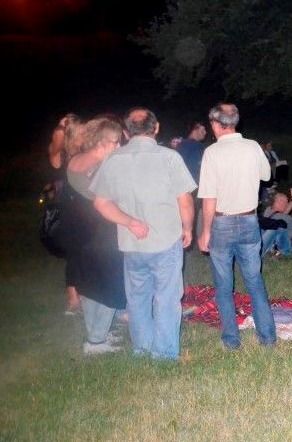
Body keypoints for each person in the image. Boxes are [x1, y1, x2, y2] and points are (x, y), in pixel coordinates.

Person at [91, 108, 196, 361]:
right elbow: (185, 200)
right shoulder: (169, 157)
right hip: (165, 242)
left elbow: (101, 203)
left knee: (137, 299)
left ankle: (142, 348)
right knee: (166, 299)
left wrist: (129, 222)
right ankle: (164, 353)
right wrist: (188, 228)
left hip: (132, 244)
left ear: (126, 133)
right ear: (156, 127)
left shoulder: (112, 160)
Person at [197, 103, 277, 351]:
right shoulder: (252, 146)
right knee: (254, 281)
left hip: (222, 223)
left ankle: (231, 340)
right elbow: (267, 176)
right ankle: (267, 338)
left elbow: (209, 198)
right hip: (249, 221)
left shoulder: (212, 152)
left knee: (224, 286)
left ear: (216, 124)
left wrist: (206, 230)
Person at [63, 117, 127, 354]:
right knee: (110, 284)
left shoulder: (75, 160)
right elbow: (110, 200)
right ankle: (97, 341)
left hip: (82, 232)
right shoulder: (104, 167)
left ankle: (97, 335)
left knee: (90, 286)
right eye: (115, 142)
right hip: (103, 233)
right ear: (100, 143)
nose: (118, 146)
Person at [48, 113, 84, 315]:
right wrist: (61, 127)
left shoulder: (85, 154)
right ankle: (72, 298)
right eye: (81, 132)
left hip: (86, 209)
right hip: (68, 211)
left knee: (85, 251)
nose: (85, 135)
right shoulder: (59, 156)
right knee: (73, 252)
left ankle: (85, 293)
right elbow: (56, 142)